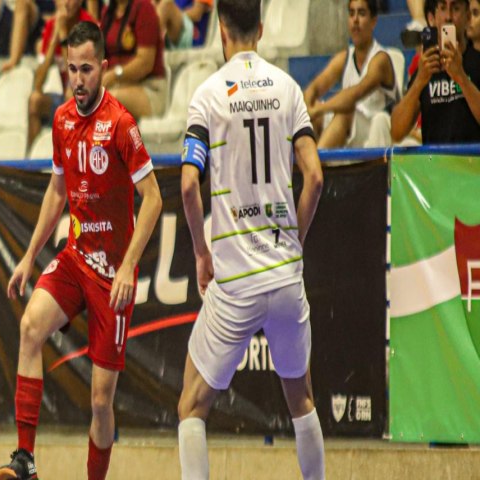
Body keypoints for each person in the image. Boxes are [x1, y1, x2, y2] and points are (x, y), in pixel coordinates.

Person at [0, 21, 162, 480]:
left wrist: (129, 266)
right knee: (30, 327)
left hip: (112, 278)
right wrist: (29, 258)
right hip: (74, 257)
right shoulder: (62, 120)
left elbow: (154, 198)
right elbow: (57, 191)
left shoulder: (121, 124)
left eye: (87, 69)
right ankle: (25, 459)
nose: (78, 79)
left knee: (100, 400)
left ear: (104, 69)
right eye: (71, 70)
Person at [177, 0, 325, 479]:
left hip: (236, 280)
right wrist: (294, 242)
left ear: (221, 29)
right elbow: (316, 178)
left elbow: (185, 185)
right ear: (261, 28)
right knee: (301, 400)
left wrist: (202, 252)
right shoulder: (287, 88)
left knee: (191, 406)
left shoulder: (208, 95)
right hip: (283, 274)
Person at [304, 0, 399, 148]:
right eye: (351, 13)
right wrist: (308, 107)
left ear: (373, 21)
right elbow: (315, 87)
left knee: (344, 111)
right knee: (312, 117)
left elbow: (354, 95)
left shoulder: (381, 59)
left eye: (361, 14)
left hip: (376, 129)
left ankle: (318, 164)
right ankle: (301, 165)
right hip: (351, 128)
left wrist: (317, 110)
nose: (355, 20)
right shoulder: (344, 57)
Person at [391, 0, 480, 143]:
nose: (448, 17)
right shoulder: (426, 68)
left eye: (455, 8)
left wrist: (461, 78)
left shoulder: (477, 62)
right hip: (434, 163)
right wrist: (419, 81)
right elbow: (396, 132)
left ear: (468, 17)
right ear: (434, 17)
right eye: (443, 8)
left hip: (472, 162)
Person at [28, 0, 96, 145]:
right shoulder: (52, 25)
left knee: (71, 95)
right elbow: (38, 83)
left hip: (90, 99)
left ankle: (72, 157)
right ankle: (31, 161)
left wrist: (64, 35)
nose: (66, 3)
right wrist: (54, 40)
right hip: (66, 97)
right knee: (35, 100)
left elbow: (75, 80)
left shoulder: (88, 27)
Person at [100, 0, 168, 120]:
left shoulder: (144, 8)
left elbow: (145, 63)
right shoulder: (108, 12)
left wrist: (114, 75)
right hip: (117, 85)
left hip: (149, 88)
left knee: (107, 101)